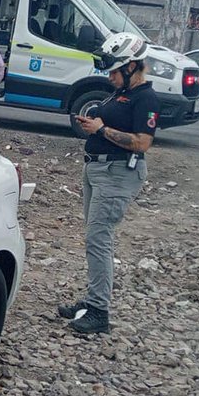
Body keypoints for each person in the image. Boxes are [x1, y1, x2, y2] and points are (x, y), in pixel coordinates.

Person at [59, 32, 159, 334]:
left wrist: (101, 130)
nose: (111, 76)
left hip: (117, 174)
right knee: (94, 238)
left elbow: (142, 143)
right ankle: (92, 300)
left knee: (98, 240)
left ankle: (99, 310)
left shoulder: (146, 99)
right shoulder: (120, 93)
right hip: (99, 171)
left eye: (115, 71)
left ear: (132, 67)